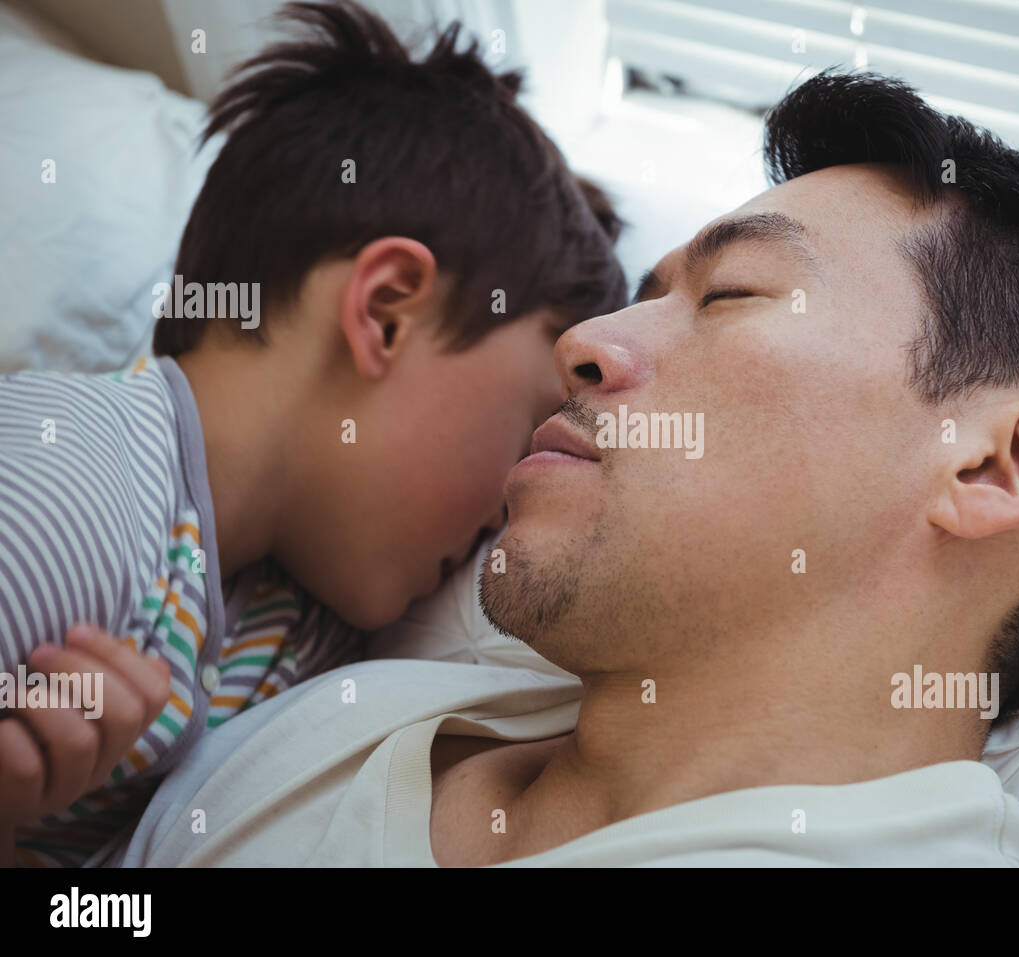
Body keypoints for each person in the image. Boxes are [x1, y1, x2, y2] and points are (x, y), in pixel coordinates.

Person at [116, 70, 1019, 867]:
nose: (581, 344)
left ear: (1000, 467)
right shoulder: (318, 733)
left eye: (732, 296)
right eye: (640, 290)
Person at [0, 0, 624, 867]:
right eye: (524, 430)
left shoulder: (296, 621)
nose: (505, 512)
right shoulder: (72, 491)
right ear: (386, 312)